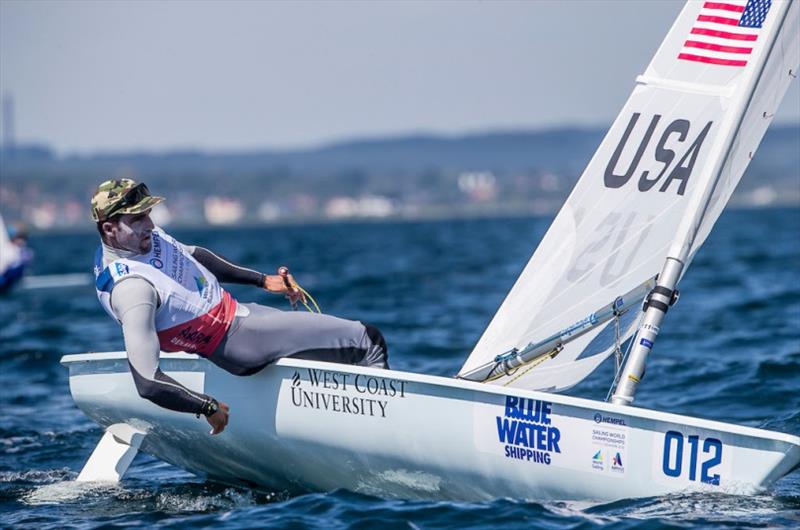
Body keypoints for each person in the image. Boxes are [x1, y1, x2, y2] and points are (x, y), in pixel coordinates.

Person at [91, 179, 389, 435]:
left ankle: (339, 426)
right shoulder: (132, 290)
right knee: (367, 340)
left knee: (335, 351)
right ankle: (384, 431)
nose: (150, 225)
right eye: (137, 220)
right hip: (240, 339)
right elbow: (147, 381)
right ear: (109, 228)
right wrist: (206, 406)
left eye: (147, 214)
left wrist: (262, 280)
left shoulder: (136, 243)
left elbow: (194, 256)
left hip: (244, 315)